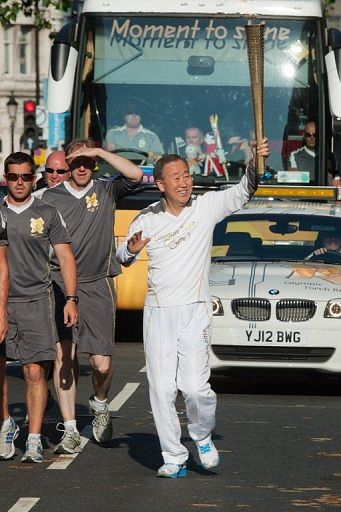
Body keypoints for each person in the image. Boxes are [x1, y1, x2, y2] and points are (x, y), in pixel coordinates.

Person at [116, 140, 270, 478]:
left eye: (187, 175)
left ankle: (201, 437)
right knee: (161, 388)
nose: (184, 182)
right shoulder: (147, 219)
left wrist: (255, 162)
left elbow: (244, 189)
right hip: (159, 312)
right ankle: (173, 455)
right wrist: (130, 248)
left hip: (195, 309)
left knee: (196, 388)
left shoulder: (206, 208)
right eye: (176, 177)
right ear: (160, 185)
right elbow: (120, 258)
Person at [41, 139, 142, 452]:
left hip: (97, 283)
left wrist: (98, 151)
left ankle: (99, 403)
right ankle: (70, 428)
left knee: (100, 364)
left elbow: (137, 176)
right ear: (68, 164)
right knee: (64, 357)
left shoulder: (106, 189)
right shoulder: (48, 196)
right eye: (76, 161)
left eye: (88, 161)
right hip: (58, 284)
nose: (81, 167)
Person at [0, 152, 78, 463]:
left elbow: (65, 256)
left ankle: (33, 439)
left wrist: (71, 298)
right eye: (14, 176)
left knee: (34, 371)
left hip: (35, 300)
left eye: (26, 177)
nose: (20, 182)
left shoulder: (47, 212)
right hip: (2, 301)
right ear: (6, 178)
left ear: (35, 178)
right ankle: (6, 424)